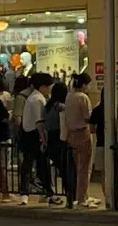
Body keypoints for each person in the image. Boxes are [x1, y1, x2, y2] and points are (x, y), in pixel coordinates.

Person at [19, 73, 61, 206]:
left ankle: (31, 193)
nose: (49, 89)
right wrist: (43, 139)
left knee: (29, 165)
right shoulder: (38, 99)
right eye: (48, 86)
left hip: (27, 134)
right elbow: (39, 122)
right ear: (42, 86)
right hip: (34, 135)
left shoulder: (32, 97)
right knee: (42, 166)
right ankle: (47, 193)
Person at [63, 73, 98, 209]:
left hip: (71, 134)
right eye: (88, 84)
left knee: (77, 166)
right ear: (83, 84)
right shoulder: (83, 98)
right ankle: (82, 198)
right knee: (85, 167)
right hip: (83, 133)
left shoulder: (69, 96)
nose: (89, 87)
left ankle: (82, 195)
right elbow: (88, 117)